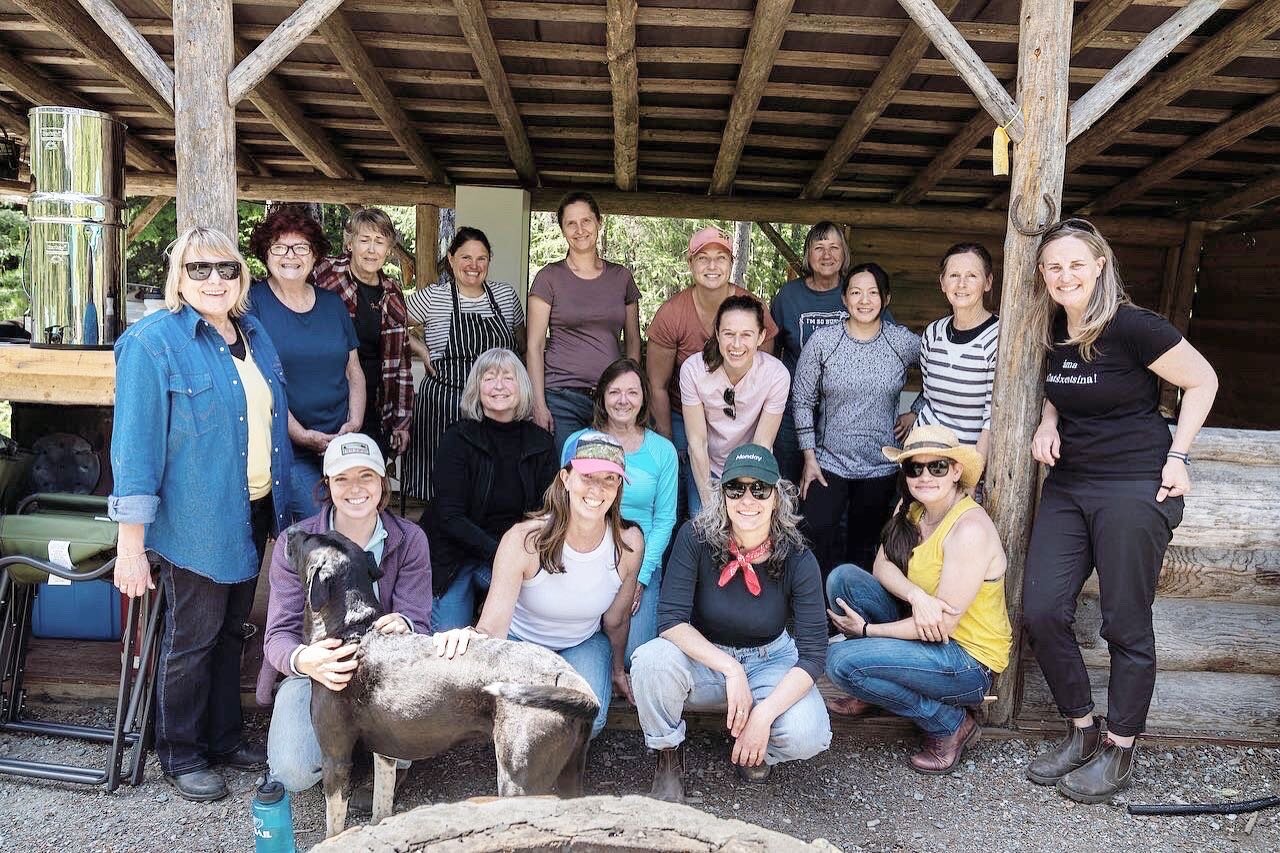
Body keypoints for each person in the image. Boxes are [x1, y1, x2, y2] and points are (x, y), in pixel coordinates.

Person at [1021, 219, 1217, 804]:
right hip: (1069, 484)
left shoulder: (1133, 326)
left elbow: (1203, 381)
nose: (1065, 275)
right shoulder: (1053, 327)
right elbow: (1061, 390)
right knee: (1041, 609)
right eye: (1054, 266)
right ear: (1042, 275)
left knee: (1124, 621)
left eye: (1076, 264)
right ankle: (1081, 729)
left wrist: (1180, 454)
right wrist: (1049, 421)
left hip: (1136, 485)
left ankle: (1120, 745)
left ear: (1100, 265)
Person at [108, 227, 291, 802]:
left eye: (226, 269)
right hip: (194, 522)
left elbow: (267, 422)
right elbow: (135, 451)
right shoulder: (152, 342)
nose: (215, 279)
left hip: (255, 510)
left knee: (232, 633)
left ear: (242, 277)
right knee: (191, 640)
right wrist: (130, 546)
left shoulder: (254, 333)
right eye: (200, 269)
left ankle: (223, 739)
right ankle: (181, 753)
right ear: (178, 278)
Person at [630, 444, 831, 802]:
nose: (747, 499)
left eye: (759, 489)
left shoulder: (799, 557)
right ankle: (667, 757)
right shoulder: (694, 538)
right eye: (736, 488)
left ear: (776, 497)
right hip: (707, 658)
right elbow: (670, 620)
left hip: (771, 659)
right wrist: (731, 670)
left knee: (808, 734)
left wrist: (763, 715)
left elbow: (814, 654)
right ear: (722, 495)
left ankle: (753, 746)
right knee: (650, 660)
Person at [824, 425, 1010, 775]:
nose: (925, 476)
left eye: (937, 467)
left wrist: (866, 631)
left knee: (840, 662)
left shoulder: (968, 529)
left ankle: (949, 723)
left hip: (966, 659)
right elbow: (881, 564)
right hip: (926, 635)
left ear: (956, 471)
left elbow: (940, 627)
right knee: (843, 580)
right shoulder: (913, 508)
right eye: (914, 468)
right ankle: (876, 688)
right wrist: (917, 595)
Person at [433, 431, 644, 740]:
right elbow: (493, 628)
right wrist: (466, 637)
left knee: (587, 720)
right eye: (587, 475)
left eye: (609, 479)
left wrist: (616, 670)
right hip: (522, 642)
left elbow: (616, 620)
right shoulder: (524, 540)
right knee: (521, 717)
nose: (597, 488)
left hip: (581, 641)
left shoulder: (628, 544)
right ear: (565, 478)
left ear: (619, 487)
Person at [259, 434, 432, 795]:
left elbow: (419, 620)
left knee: (405, 742)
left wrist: (405, 625)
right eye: (342, 478)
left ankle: (377, 756)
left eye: (366, 476)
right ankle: (341, 750)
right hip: (315, 676)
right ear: (327, 486)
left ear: (383, 482)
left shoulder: (410, 539)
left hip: (382, 674)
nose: (355, 488)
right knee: (292, 772)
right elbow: (278, 634)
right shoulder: (296, 542)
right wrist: (305, 659)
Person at [792, 262, 921, 577]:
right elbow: (802, 398)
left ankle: (855, 616)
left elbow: (939, 371)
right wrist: (809, 457)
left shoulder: (900, 341)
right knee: (814, 539)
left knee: (865, 548)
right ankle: (814, 614)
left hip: (881, 465)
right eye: (856, 292)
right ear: (845, 298)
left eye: (873, 293)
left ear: (886, 299)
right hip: (827, 463)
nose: (865, 300)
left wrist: (916, 409)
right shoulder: (824, 341)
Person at [423, 348, 558, 631]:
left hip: (515, 558)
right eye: (489, 378)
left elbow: (546, 513)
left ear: (521, 386)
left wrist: (512, 557)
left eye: (508, 377)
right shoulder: (457, 439)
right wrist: (500, 552)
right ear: (477, 387)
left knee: (513, 636)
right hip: (455, 558)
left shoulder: (541, 443)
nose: (499, 386)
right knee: (449, 640)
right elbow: (449, 516)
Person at [646, 226, 777, 516]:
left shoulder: (753, 309)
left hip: (740, 416)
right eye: (703, 258)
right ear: (690, 263)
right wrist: (668, 440)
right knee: (683, 492)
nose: (712, 266)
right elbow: (657, 384)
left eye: (721, 258)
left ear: (732, 263)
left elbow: (760, 377)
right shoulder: (672, 313)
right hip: (685, 413)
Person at [246, 206, 364, 522]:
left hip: (342, 440)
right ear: (265, 254)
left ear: (314, 255)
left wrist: (353, 425)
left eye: (301, 247)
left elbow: (354, 371)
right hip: (289, 447)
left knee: (354, 520)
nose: (290, 256)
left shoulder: (332, 303)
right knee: (323, 519)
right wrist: (302, 435)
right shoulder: (252, 304)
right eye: (280, 247)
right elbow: (259, 385)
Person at [564, 358, 679, 664]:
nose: (623, 400)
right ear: (602, 396)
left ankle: (610, 659)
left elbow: (665, 518)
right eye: (615, 392)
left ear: (644, 398)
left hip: (639, 559)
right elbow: (563, 504)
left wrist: (640, 577)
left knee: (634, 655)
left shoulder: (663, 451)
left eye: (632, 392)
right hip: (586, 554)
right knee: (579, 635)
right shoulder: (578, 442)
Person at [402, 227, 525, 499]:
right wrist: (418, 347)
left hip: (493, 409)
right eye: (466, 257)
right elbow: (389, 319)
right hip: (443, 405)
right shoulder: (435, 297)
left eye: (481, 258)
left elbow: (522, 346)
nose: (474, 265)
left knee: (489, 488)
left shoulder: (505, 297)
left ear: (489, 260)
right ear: (451, 258)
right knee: (439, 489)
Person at [527, 191, 642, 454]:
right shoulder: (549, 278)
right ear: (563, 230)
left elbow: (633, 341)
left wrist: (632, 390)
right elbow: (534, 346)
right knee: (566, 477)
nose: (580, 230)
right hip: (561, 398)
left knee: (609, 474)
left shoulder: (621, 277)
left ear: (599, 223)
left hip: (611, 399)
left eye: (586, 221)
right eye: (571, 223)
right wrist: (539, 404)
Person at [313, 208, 414, 458]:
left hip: (375, 407)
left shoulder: (392, 293)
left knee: (370, 481)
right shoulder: (324, 274)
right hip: (328, 403)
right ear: (350, 244)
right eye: (364, 240)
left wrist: (401, 422)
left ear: (388, 249)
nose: (372, 249)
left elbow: (401, 362)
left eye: (379, 242)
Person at [680, 295, 789, 516]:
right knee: (703, 525)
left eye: (746, 335)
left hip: (751, 466)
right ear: (717, 334)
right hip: (707, 467)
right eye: (729, 334)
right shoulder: (693, 370)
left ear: (761, 337)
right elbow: (697, 443)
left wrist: (744, 495)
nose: (736, 345)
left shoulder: (776, 375)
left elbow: (762, 445)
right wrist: (711, 504)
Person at [769, 221, 853, 483]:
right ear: (808, 254)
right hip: (793, 411)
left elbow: (890, 345)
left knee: (832, 490)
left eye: (833, 247)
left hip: (844, 412)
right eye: (819, 247)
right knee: (787, 486)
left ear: (844, 253)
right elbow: (770, 355)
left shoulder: (859, 292)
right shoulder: (789, 296)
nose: (827, 255)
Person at [900, 243, 999, 459]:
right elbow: (929, 396)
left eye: (972, 275)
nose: (961, 284)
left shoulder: (998, 338)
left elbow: (992, 419)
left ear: (988, 282)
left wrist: (973, 477)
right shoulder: (933, 332)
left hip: (969, 462)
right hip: (924, 456)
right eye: (954, 275)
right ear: (942, 283)